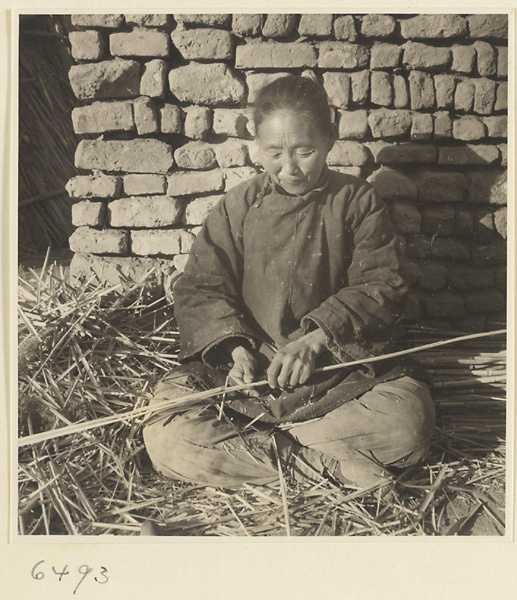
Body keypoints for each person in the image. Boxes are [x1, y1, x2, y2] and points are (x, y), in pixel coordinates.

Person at [143, 75, 435, 491]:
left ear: (330, 138)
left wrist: (313, 340)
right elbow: (201, 286)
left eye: (304, 151)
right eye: (274, 153)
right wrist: (236, 349)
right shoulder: (238, 206)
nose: (290, 168)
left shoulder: (358, 202)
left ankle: (259, 457)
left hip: (336, 376)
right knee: (165, 434)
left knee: (407, 427)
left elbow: (382, 284)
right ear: (255, 145)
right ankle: (327, 470)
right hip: (250, 385)